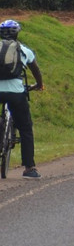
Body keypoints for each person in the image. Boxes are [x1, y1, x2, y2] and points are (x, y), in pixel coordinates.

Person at [0, 19, 44, 178]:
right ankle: (29, 168)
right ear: (17, 33)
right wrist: (39, 85)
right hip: (16, 93)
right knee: (25, 128)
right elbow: (36, 71)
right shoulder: (24, 50)